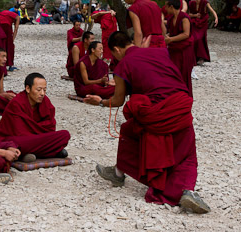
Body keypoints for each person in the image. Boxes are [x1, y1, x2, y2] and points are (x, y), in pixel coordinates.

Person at [84, 31, 210, 214]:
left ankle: (120, 174)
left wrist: (100, 102)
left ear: (117, 49)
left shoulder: (122, 66)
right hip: (181, 106)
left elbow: (118, 101)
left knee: (129, 131)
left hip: (158, 112)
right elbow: (150, 68)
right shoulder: (159, 51)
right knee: (187, 150)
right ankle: (188, 190)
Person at [0, 73, 70, 162]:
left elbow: (50, 126)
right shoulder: (16, 103)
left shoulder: (45, 101)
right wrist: (40, 135)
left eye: (44, 90)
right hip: (15, 140)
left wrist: (38, 137)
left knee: (65, 135)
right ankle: (49, 151)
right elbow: (19, 132)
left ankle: (25, 154)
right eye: (38, 90)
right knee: (16, 143)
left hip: (35, 140)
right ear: (28, 89)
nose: (42, 93)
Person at [165, 0, 195, 97]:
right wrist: (167, 37)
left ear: (171, 7)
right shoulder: (171, 19)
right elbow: (172, 32)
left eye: (166, 6)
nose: (165, 9)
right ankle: (175, 94)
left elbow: (186, 34)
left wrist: (171, 39)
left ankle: (184, 96)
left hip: (184, 49)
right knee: (173, 72)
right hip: (174, 49)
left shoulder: (184, 18)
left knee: (184, 73)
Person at [189, 0, 218, 65]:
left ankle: (201, 57)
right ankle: (194, 57)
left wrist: (216, 18)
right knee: (193, 38)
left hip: (203, 22)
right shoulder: (191, 3)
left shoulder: (205, 2)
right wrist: (195, 15)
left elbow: (212, 10)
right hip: (194, 22)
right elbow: (188, 14)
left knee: (200, 38)